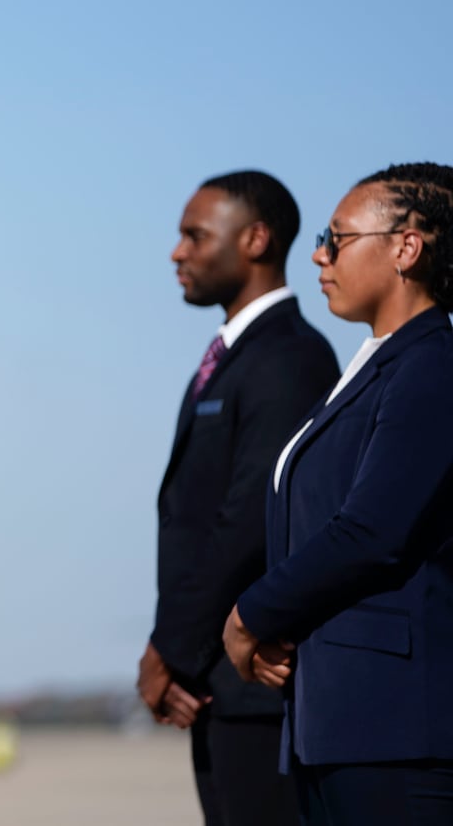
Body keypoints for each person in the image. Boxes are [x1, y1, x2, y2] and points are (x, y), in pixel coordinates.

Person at [223, 162, 453, 823]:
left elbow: (372, 531)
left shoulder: (431, 366)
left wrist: (250, 616)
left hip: (396, 731)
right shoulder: (375, 366)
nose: (319, 254)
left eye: (338, 236)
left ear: (406, 247)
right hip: (334, 725)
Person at [140, 171, 338, 825]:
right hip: (215, 681)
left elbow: (252, 515)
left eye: (195, 235)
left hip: (256, 685)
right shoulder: (233, 354)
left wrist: (169, 647)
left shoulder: (289, 356)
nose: (178, 252)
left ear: (255, 239)